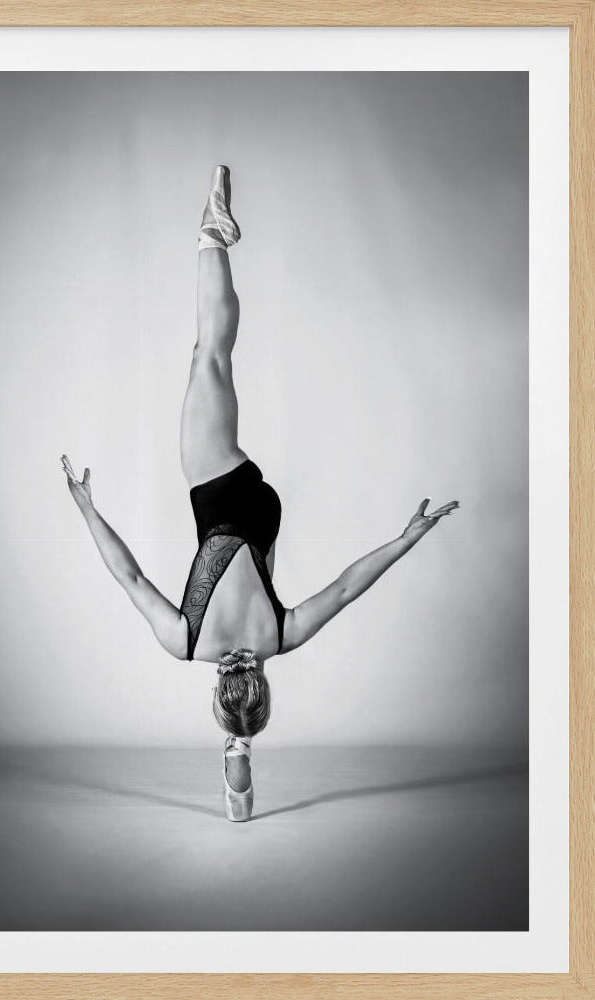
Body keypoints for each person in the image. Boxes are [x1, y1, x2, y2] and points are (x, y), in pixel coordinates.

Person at [62, 165, 459, 822]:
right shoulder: (186, 643)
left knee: (212, 359)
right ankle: (211, 235)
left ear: (258, 686)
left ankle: (239, 754)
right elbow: (128, 577)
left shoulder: (278, 639)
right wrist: (87, 509)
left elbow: (345, 588)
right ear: (218, 692)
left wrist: (405, 540)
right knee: (208, 355)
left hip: (260, 512)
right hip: (219, 494)